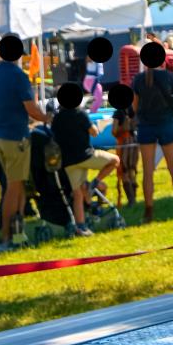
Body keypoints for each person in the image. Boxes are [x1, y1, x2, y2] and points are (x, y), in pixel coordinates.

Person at [0, 32, 46, 249]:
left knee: (17, 185)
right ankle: (5, 237)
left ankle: (18, 234)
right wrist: (49, 118)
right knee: (13, 188)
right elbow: (32, 109)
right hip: (15, 137)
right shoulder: (17, 75)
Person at [133, 40, 173, 224]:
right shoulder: (169, 77)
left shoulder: (138, 79)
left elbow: (135, 106)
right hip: (166, 124)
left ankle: (148, 211)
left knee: (148, 172)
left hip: (146, 127)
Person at [51, 82, 112, 233]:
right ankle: (94, 184)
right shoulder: (80, 114)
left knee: (77, 194)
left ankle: (81, 226)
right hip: (86, 155)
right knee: (114, 161)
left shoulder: (57, 118)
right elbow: (94, 133)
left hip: (68, 161)